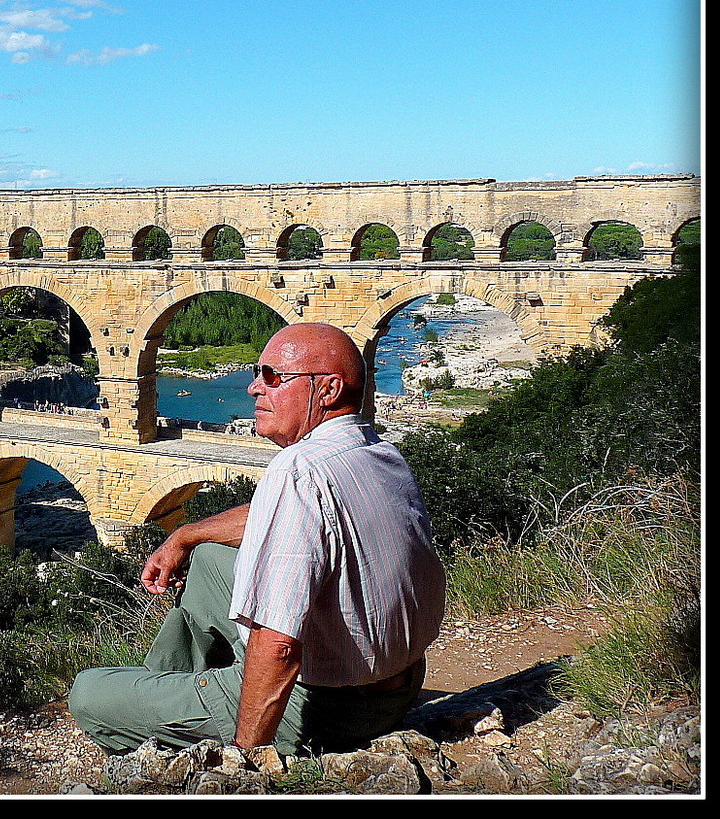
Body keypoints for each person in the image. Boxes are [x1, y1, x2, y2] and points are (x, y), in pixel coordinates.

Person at [69, 322, 446, 758]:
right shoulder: (373, 451)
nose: (253, 388)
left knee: (89, 695)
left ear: (327, 390)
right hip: (396, 685)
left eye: (272, 377)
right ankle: (172, 687)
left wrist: (246, 757)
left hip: (323, 708)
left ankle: (189, 719)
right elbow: (283, 520)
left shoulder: (297, 471)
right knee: (210, 559)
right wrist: (186, 535)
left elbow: (279, 642)